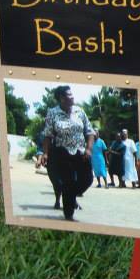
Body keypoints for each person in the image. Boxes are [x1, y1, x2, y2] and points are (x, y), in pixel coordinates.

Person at [42, 85, 94, 221]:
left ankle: (69, 196)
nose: (72, 97)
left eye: (72, 94)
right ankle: (68, 214)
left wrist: (88, 149)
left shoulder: (80, 111)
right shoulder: (53, 113)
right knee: (68, 182)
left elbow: (90, 132)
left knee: (87, 180)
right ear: (62, 98)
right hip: (62, 153)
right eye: (69, 95)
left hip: (80, 152)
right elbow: (47, 135)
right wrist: (45, 153)